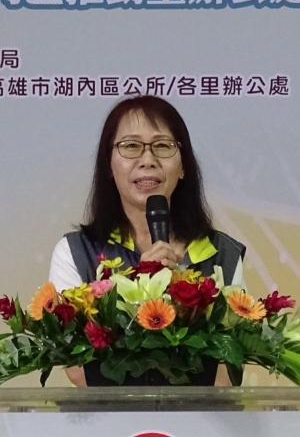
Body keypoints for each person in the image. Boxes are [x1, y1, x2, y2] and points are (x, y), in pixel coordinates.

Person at [48, 95, 247, 386]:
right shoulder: (77, 251)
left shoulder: (222, 253)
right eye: (131, 146)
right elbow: (77, 370)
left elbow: (228, 373)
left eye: (163, 146)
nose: (148, 160)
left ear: (183, 166)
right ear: (108, 165)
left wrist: (179, 293)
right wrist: (142, 288)